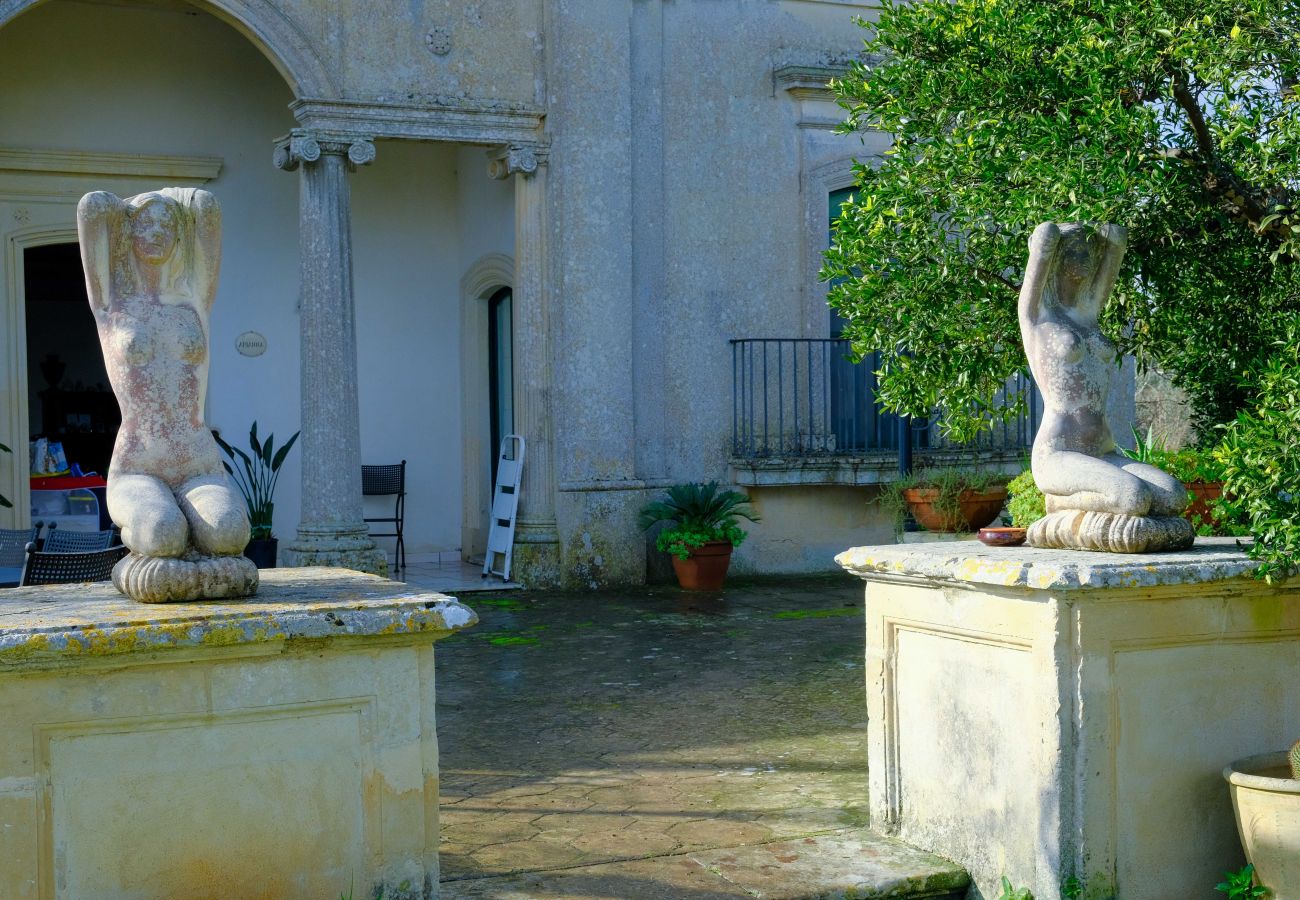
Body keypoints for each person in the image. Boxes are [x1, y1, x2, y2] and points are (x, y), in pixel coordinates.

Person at [77, 188, 249, 560]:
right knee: (162, 532)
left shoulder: (193, 300)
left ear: (179, 236)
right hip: (139, 461)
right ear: (127, 231)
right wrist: (129, 209)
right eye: (145, 223)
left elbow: (206, 206)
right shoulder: (111, 304)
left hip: (197, 459)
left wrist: (178, 199)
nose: (155, 232)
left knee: (228, 534)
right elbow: (92, 209)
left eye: (166, 225)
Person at [1018, 222, 1186, 519]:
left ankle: (1084, 500)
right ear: (1056, 257)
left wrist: (1100, 231)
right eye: (1074, 253)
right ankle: (1060, 503)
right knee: (1132, 497)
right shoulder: (1036, 317)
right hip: (1057, 453)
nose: (1083, 261)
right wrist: (1053, 236)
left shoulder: (1089, 312)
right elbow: (1044, 236)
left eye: (1087, 254)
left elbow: (1117, 237)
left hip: (1102, 451)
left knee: (1173, 496)